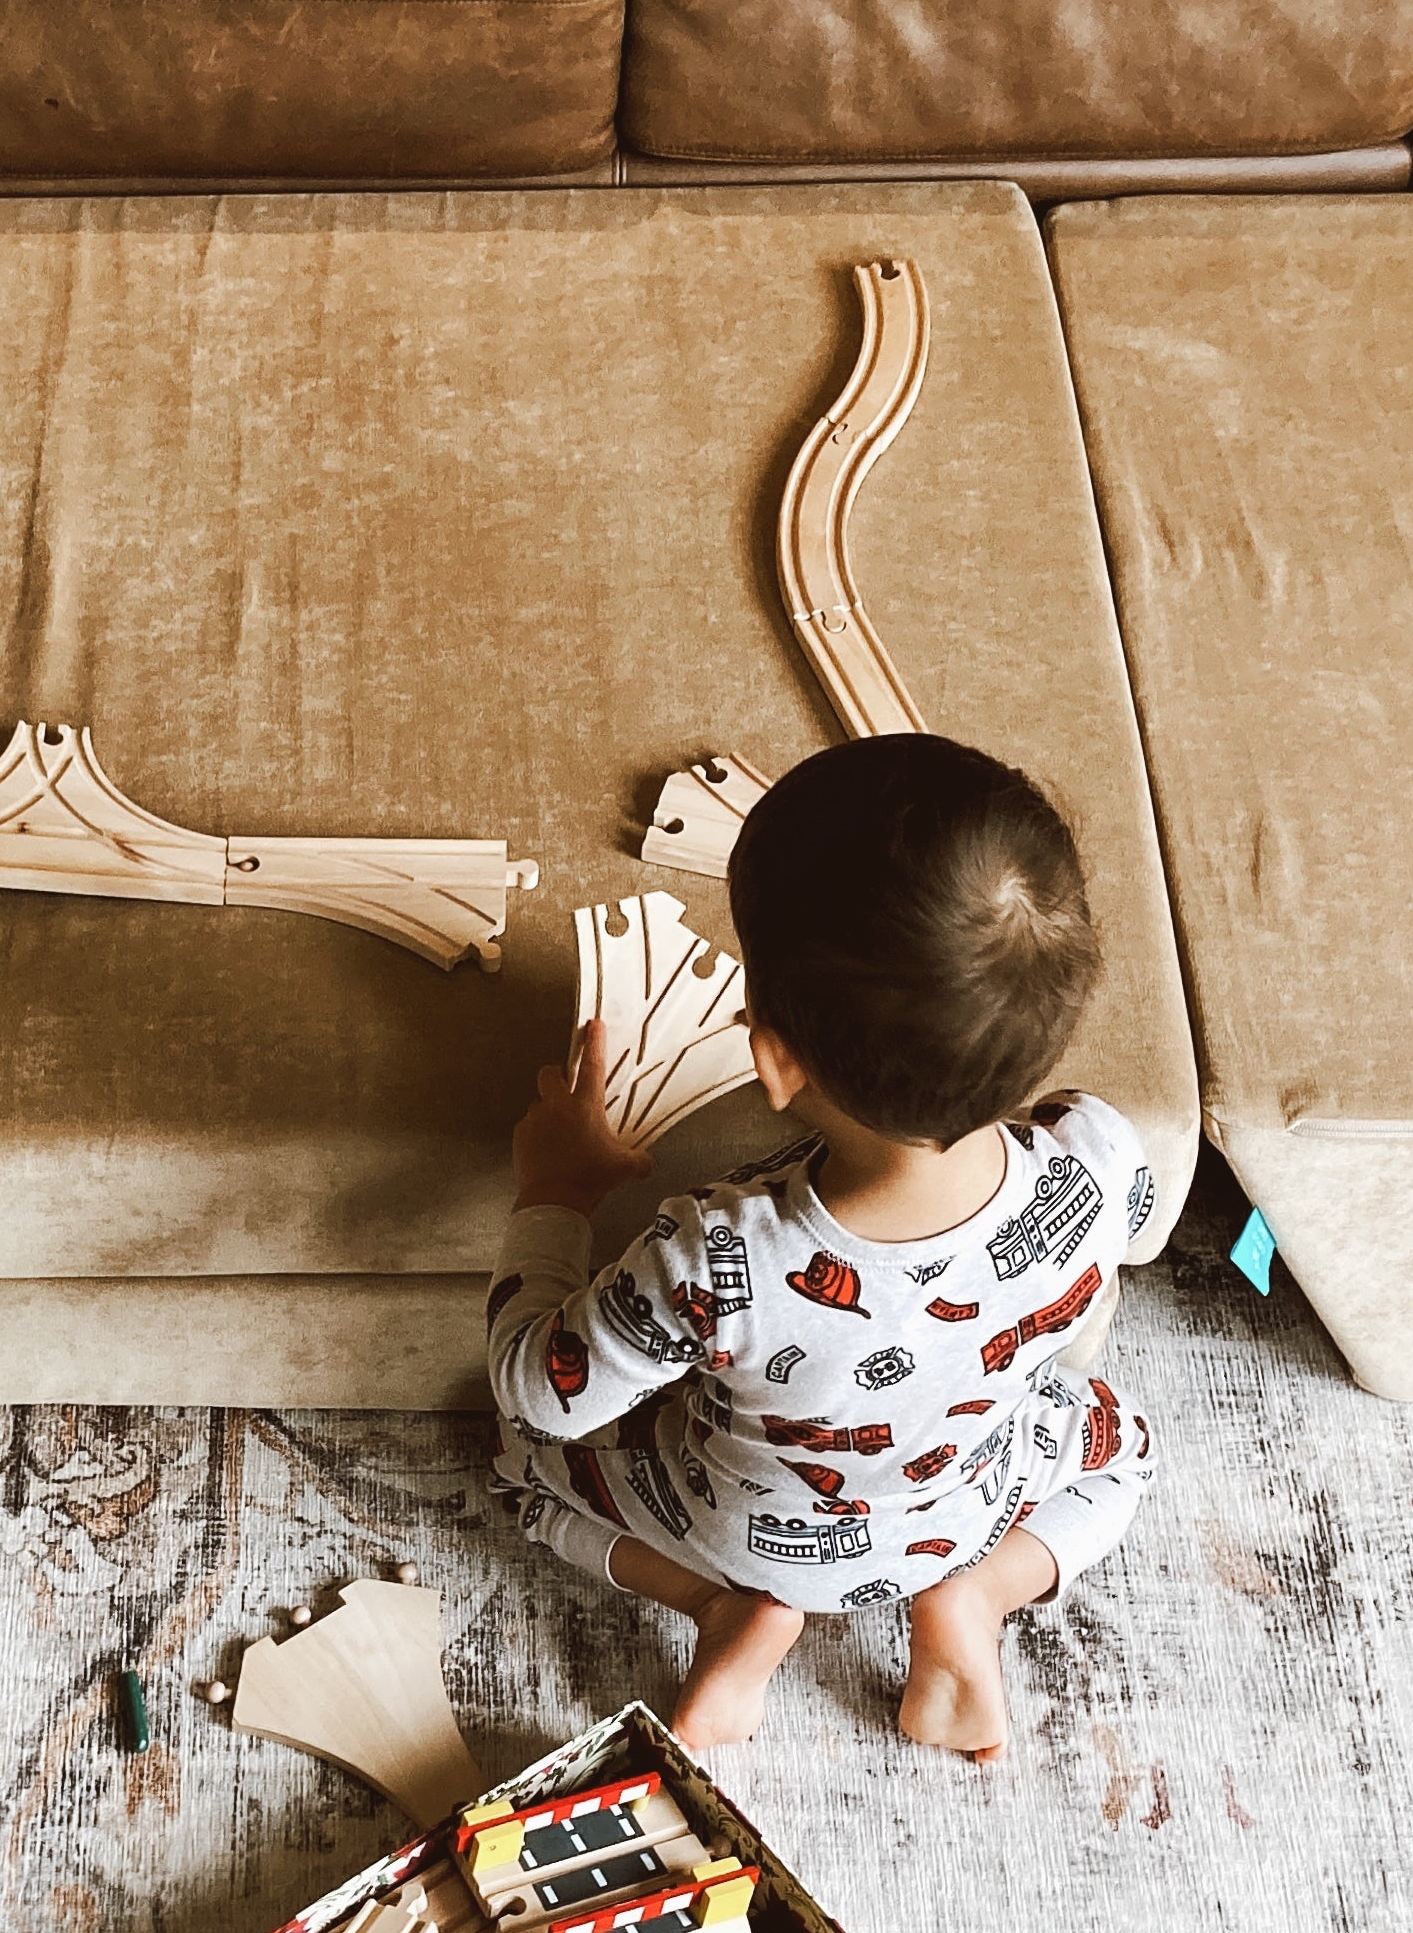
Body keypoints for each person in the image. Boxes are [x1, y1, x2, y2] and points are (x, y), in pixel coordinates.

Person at [490, 733, 1162, 1755]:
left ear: (771, 1057)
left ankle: (721, 1610)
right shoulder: (1098, 1160)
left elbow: (540, 1386)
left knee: (513, 1462)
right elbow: (1115, 1252)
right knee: (1127, 1451)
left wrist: (555, 1191)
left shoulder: (714, 1255)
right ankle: (975, 1597)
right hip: (967, 1505)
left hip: (741, 1534)